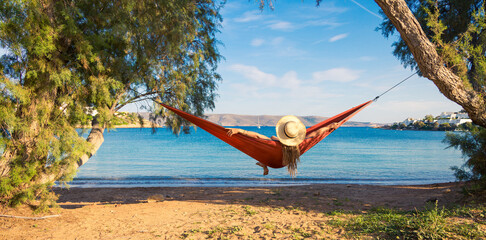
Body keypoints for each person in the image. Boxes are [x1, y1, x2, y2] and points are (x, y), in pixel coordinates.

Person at [226, 116, 339, 176]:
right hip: (284, 161)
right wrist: (330, 126)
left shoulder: (275, 144)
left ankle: (264, 164)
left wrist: (239, 130)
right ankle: (264, 164)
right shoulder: (301, 143)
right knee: (271, 143)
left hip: (273, 160)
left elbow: (256, 136)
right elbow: (316, 133)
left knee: (267, 142)